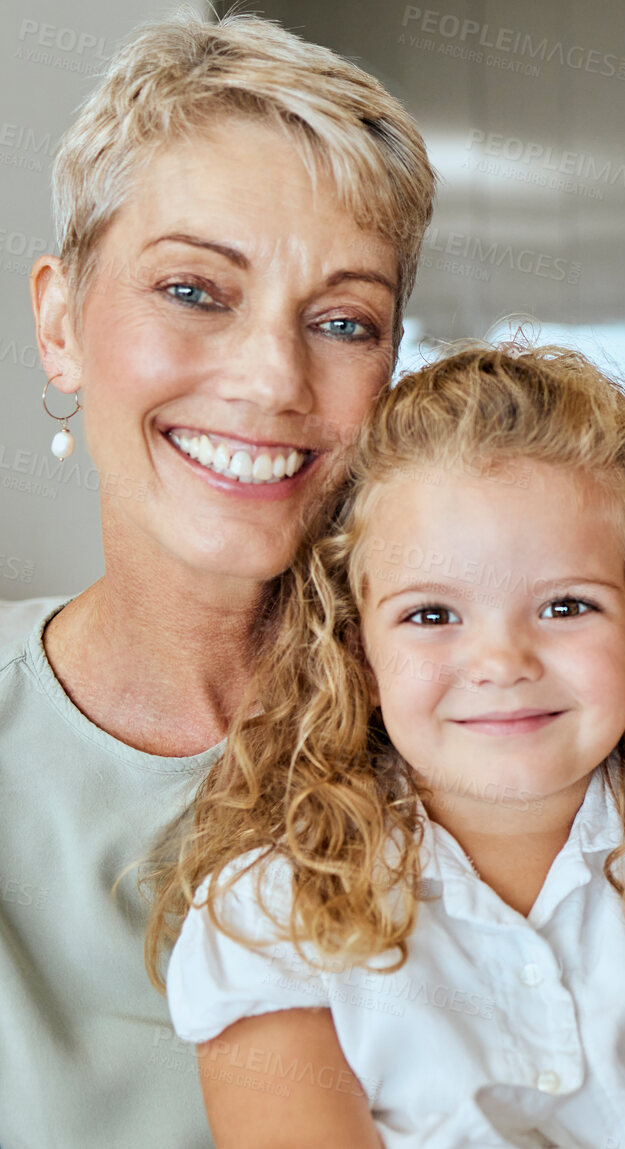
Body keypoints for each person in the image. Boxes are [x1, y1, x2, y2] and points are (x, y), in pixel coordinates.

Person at [147, 345, 625, 1147]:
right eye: (432, 615)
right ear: (357, 655)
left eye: (567, 605)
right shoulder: (270, 916)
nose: (503, 663)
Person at [1, 13, 434, 1146]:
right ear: (58, 321)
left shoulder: (486, 712)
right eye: (195, 290)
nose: (272, 378)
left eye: (343, 321)